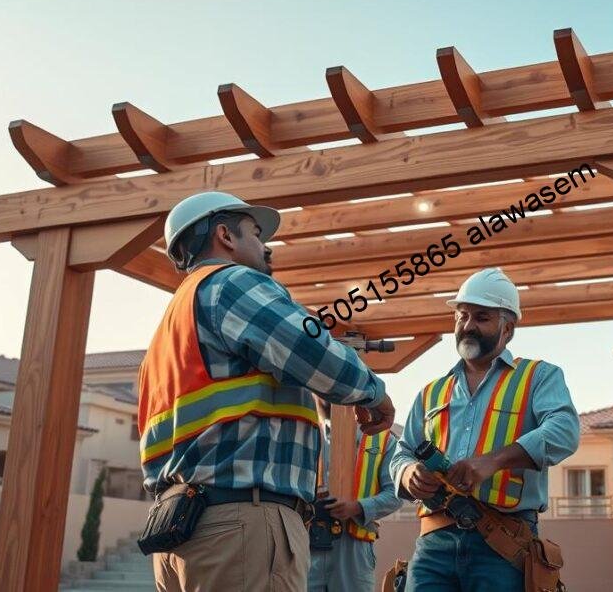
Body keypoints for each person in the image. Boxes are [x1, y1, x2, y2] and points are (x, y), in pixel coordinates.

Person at [138, 191, 395, 592]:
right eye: (255, 233)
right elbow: (309, 349)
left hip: (182, 527)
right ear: (225, 235)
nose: (265, 245)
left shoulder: (173, 324)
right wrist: (372, 392)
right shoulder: (230, 283)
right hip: (240, 523)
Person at [390, 267, 580, 591]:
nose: (468, 326)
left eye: (481, 317)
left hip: (502, 544)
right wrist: (408, 474)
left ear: (508, 329)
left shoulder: (538, 377)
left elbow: (564, 431)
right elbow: (402, 452)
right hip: (434, 541)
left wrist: (493, 461)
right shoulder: (432, 392)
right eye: (462, 316)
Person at [308, 399, 403, 592]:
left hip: (353, 545)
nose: (328, 391)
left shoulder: (382, 439)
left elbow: (396, 494)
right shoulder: (302, 433)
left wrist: (358, 507)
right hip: (306, 542)